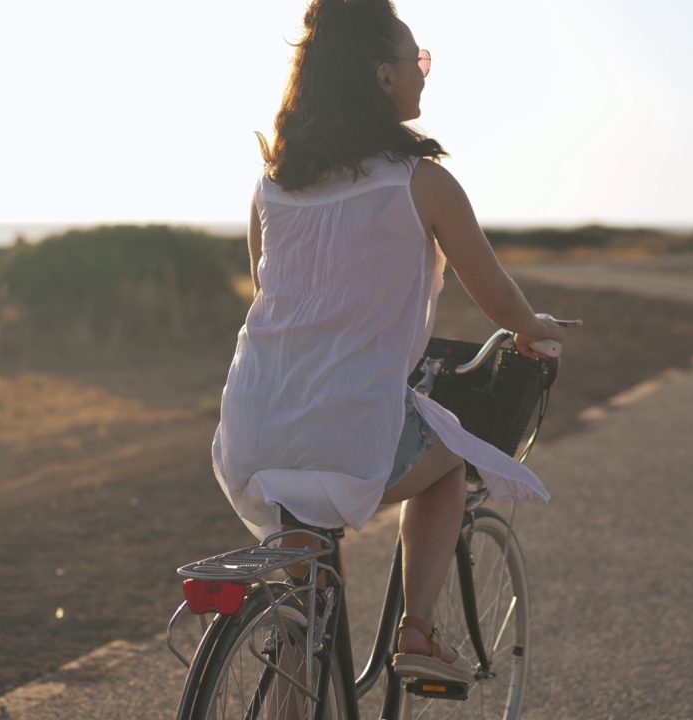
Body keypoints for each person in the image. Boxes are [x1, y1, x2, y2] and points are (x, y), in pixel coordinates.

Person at [212, 0, 564, 683]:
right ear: (382, 76)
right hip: (349, 430)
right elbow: (493, 293)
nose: (424, 74)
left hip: (253, 430)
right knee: (453, 457)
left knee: (304, 606)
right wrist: (535, 331)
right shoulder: (421, 181)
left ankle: (298, 671)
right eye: (417, 60)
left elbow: (272, 293)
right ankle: (421, 633)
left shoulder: (271, 188)